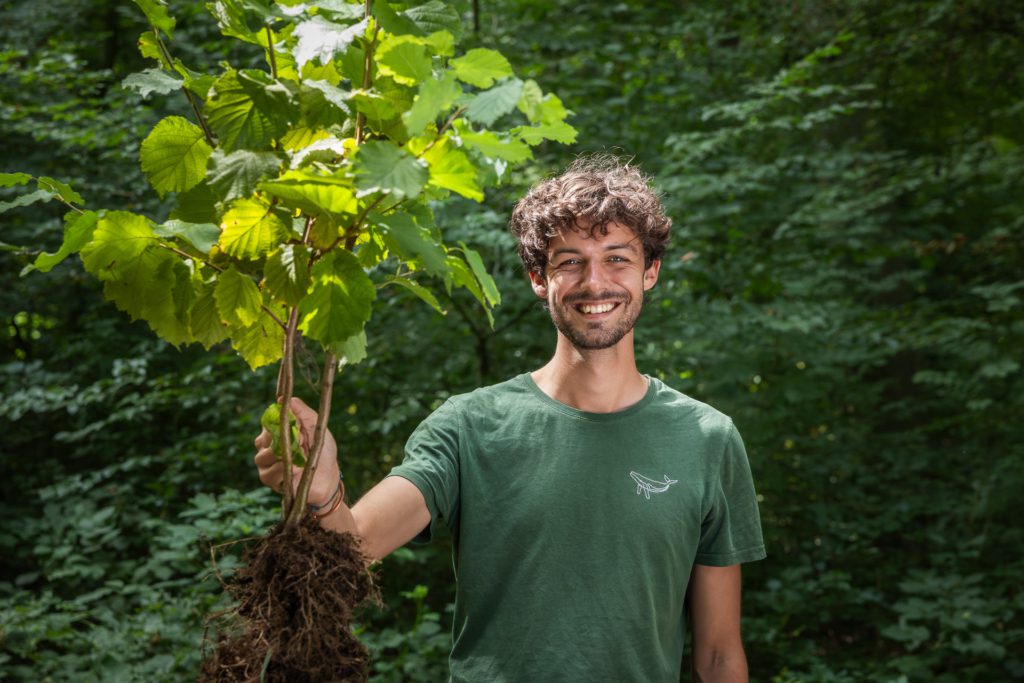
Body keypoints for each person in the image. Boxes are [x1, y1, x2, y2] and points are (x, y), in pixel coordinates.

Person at [254, 155, 766, 682]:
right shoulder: (469, 426)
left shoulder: (707, 439)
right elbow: (354, 549)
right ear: (538, 279)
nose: (595, 282)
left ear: (650, 272)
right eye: (569, 262)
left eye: (617, 258)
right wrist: (321, 493)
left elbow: (719, 656)